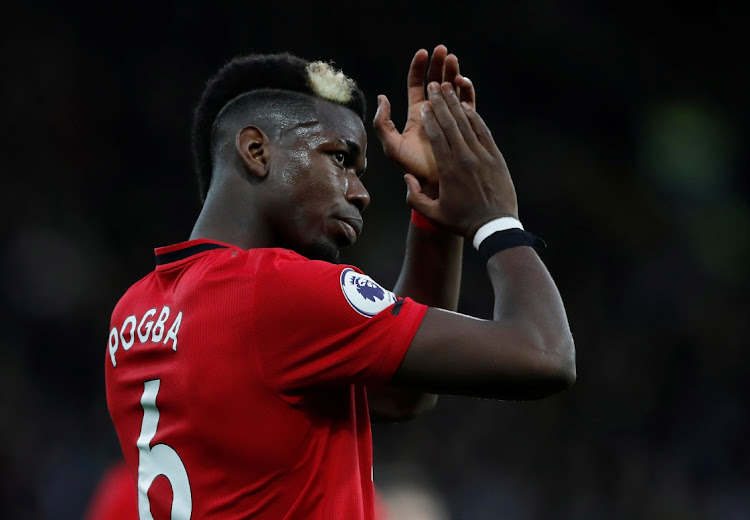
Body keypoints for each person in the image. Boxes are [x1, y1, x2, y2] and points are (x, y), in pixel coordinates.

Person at [104, 44, 575, 519]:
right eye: (340, 158)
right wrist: (495, 220)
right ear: (256, 151)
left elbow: (399, 394)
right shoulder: (277, 289)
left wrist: (433, 211)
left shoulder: (134, 312)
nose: (360, 192)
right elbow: (543, 354)